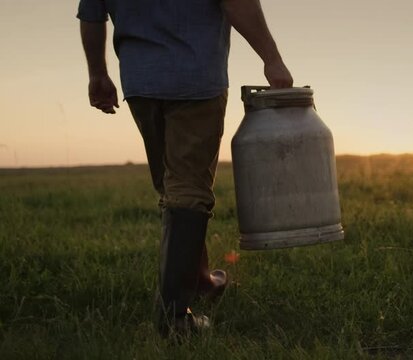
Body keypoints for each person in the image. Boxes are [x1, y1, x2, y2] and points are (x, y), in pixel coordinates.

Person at [77, 0, 293, 337]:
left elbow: (92, 13)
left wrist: (97, 74)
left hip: (141, 83)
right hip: (196, 79)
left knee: (173, 185)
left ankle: (201, 281)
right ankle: (175, 318)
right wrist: (272, 58)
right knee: (187, 188)